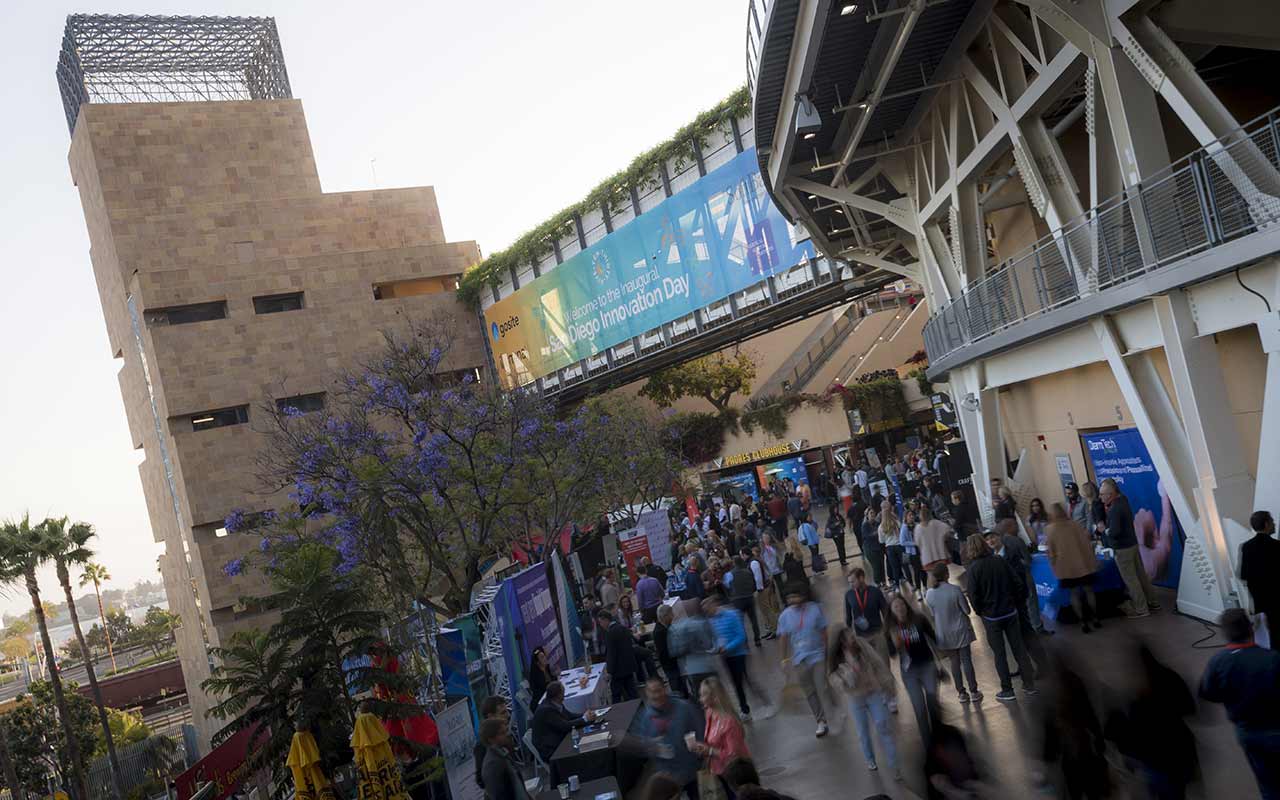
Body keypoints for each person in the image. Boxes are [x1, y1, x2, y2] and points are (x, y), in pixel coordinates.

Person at [1199, 608, 1280, 798]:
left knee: (1267, 783)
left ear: (1225, 634)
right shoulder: (1272, 659)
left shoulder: (1217, 663)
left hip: (1248, 732)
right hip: (1276, 728)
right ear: (1251, 629)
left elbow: (1209, 693)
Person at [1105, 645, 1199, 800]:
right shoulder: (1171, 678)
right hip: (1179, 753)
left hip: (1155, 763)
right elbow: (1191, 709)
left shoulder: (1136, 697)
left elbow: (1127, 735)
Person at [964, 533, 1037, 702]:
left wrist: (981, 611)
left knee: (999, 654)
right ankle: (1029, 684)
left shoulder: (974, 569)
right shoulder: (1000, 560)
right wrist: (1014, 601)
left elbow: (973, 596)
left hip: (991, 618)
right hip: (1010, 612)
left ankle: (1007, 689)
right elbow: (1017, 583)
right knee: (1019, 649)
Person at [827, 626, 899, 777]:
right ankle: (870, 759)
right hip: (855, 698)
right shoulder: (838, 656)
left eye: (853, 635)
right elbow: (833, 678)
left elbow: (878, 663)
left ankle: (894, 765)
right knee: (863, 732)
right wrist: (844, 679)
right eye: (850, 637)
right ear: (842, 642)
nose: (853, 638)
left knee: (882, 724)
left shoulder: (861, 645)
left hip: (873, 691)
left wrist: (888, 683)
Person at [885, 590, 942, 740]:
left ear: (906, 605)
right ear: (891, 611)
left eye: (901, 605)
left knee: (932, 703)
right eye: (895, 607)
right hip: (909, 672)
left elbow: (933, 637)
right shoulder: (891, 629)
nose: (900, 609)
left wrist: (942, 659)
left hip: (927, 665)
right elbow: (891, 654)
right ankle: (928, 744)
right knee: (919, 709)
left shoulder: (919, 619)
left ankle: (939, 736)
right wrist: (896, 645)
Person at [636, 677, 705, 800]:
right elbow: (644, 744)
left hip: (690, 770)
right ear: (647, 693)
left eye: (658, 690)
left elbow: (700, 730)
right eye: (652, 691)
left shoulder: (684, 708)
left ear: (665, 689)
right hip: (667, 776)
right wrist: (652, 746)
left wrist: (700, 756)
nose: (656, 695)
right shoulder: (646, 717)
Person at [1099, 478, 1159, 618]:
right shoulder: (1123, 500)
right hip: (1132, 544)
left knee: (1131, 579)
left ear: (1111, 494)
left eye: (1102, 495)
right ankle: (1153, 602)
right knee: (1141, 576)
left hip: (1122, 549)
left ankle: (1141, 608)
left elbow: (1114, 532)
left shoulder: (1115, 509)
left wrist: (1104, 530)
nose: (1100, 498)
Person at [777, 582, 829, 737]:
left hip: (818, 653)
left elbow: (823, 629)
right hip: (799, 658)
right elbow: (783, 637)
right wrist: (784, 659)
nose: (792, 600)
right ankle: (820, 720)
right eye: (789, 597)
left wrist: (827, 650)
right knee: (810, 691)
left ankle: (831, 706)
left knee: (822, 686)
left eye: (795, 596)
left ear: (803, 596)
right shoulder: (785, 615)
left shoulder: (814, 608)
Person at [925, 562, 981, 704]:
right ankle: (974, 691)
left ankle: (961, 692)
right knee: (966, 660)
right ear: (947, 574)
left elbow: (932, 613)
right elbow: (967, 611)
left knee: (954, 663)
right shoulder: (955, 590)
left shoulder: (929, 594)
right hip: (960, 630)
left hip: (944, 633)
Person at [690, 677, 752, 799]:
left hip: (736, 773)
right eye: (700, 695)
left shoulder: (729, 722)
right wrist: (703, 748)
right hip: (720, 770)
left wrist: (710, 751)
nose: (700, 699)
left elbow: (734, 754)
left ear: (715, 697)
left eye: (703, 695)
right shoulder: (709, 712)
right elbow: (711, 740)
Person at [1045, 503, 1100, 633]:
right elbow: (1086, 544)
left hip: (1067, 569)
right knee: (1089, 591)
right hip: (1083, 565)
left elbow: (1051, 552)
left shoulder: (1050, 529)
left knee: (1074, 594)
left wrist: (1054, 566)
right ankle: (1095, 617)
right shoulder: (1075, 525)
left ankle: (1082, 622)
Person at [531, 681, 593, 766]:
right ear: (558, 695)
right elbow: (564, 726)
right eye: (563, 693)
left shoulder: (554, 703)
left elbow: (569, 715)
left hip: (556, 739)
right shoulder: (547, 710)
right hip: (551, 749)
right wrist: (584, 719)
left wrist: (584, 714)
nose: (564, 696)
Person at [668, 599, 718, 700]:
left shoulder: (673, 628)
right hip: (705, 665)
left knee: (699, 697)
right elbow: (708, 644)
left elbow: (673, 652)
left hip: (689, 669)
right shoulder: (699, 624)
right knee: (715, 694)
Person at [1239, 510, 1280, 634]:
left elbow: (1244, 574)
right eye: (1272, 522)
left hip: (1259, 601)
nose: (1275, 524)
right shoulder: (1277, 547)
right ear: (1266, 524)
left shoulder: (1246, 546)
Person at [843, 567, 890, 663]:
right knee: (869, 667)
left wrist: (888, 631)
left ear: (861, 578)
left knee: (884, 664)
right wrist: (848, 636)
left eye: (853, 581)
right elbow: (848, 618)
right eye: (849, 582)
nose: (851, 585)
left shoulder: (875, 592)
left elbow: (886, 612)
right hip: (861, 638)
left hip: (878, 634)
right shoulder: (849, 595)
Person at [479, 717, 530, 800]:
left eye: (506, 731)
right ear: (491, 739)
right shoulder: (493, 764)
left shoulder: (502, 753)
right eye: (502, 733)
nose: (507, 734)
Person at [600, 608, 639, 702]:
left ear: (606, 620)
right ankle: (639, 710)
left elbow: (611, 654)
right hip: (629, 665)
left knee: (616, 695)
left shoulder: (610, 633)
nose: (600, 625)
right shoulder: (622, 627)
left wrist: (609, 671)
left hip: (618, 670)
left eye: (601, 622)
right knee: (632, 692)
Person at [473, 696, 510, 791]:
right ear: (491, 716)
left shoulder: (505, 737)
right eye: (503, 713)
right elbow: (481, 780)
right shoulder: (481, 746)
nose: (507, 715)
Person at [728, 555, 762, 647]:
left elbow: (727, 586)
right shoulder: (747, 572)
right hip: (749, 597)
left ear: (734, 563)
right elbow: (753, 583)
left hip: (737, 599)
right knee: (753, 619)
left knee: (740, 622)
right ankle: (757, 639)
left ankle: (745, 641)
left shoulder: (730, 574)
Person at [654, 603, 684, 697]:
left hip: (671, 663)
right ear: (665, 616)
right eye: (671, 614)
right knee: (677, 687)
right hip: (670, 664)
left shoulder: (663, 627)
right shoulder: (660, 631)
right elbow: (665, 650)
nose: (673, 616)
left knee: (680, 686)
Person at [915, 505, 952, 572]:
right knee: (943, 573)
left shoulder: (918, 528)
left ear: (920, 516)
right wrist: (943, 539)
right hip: (940, 554)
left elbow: (918, 543)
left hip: (927, 556)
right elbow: (947, 529)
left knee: (932, 577)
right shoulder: (935, 523)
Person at [879, 501, 904, 587]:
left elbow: (881, 541)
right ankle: (909, 582)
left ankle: (896, 586)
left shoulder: (881, 526)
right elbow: (901, 531)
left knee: (894, 567)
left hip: (889, 548)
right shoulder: (896, 522)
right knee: (904, 564)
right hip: (899, 545)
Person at [861, 506, 886, 587]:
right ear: (867, 515)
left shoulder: (878, 523)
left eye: (873, 513)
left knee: (881, 565)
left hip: (879, 547)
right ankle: (878, 582)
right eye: (871, 513)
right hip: (870, 549)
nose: (873, 514)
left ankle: (883, 582)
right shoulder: (865, 525)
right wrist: (876, 533)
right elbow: (867, 536)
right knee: (876, 566)